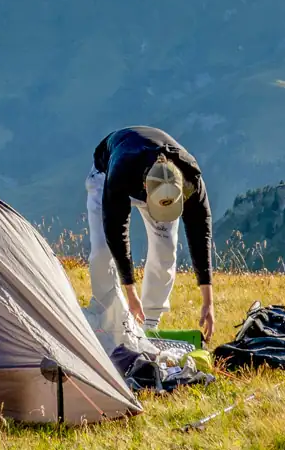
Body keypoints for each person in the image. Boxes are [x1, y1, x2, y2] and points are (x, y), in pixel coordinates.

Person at [85, 126, 215, 354]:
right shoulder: (120, 172)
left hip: (156, 181)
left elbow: (200, 233)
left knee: (166, 247)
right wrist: (131, 292)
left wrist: (208, 300)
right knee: (102, 251)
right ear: (145, 189)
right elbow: (116, 232)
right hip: (105, 173)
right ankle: (106, 317)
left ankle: (150, 323)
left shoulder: (190, 178)